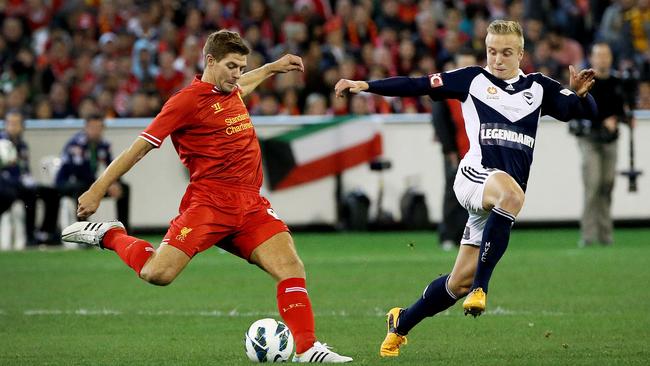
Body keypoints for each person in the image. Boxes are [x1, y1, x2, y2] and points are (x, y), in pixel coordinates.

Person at [60, 30, 352, 363]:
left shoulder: (231, 90)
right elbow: (139, 147)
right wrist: (97, 189)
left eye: (241, 67)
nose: (237, 74)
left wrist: (271, 68)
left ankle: (307, 348)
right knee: (158, 274)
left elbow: (246, 86)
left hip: (250, 205)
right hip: (208, 205)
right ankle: (111, 235)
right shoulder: (186, 101)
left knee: (290, 266)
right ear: (209, 61)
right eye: (231, 66)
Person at [334, 19, 597, 357]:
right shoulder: (472, 79)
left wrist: (580, 93)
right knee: (513, 196)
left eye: (505, 53)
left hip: (496, 200)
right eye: (491, 52)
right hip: (475, 176)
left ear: (521, 54)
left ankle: (400, 323)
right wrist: (365, 85)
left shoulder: (539, 87)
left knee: (455, 283)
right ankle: (481, 289)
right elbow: (417, 85)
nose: (497, 59)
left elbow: (581, 112)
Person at [572, 43, 631, 246]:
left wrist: (621, 118)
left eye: (606, 55)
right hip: (589, 139)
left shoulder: (617, 82)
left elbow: (622, 108)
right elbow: (579, 111)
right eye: (599, 55)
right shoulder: (587, 82)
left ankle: (606, 235)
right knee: (593, 184)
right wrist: (603, 120)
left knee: (607, 185)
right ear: (592, 58)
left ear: (610, 58)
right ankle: (588, 235)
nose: (603, 59)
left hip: (610, 140)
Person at [431, 50, 476, 251]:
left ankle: (466, 236)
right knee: (453, 192)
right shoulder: (445, 90)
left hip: (476, 151)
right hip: (456, 151)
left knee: (474, 195)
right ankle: (448, 234)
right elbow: (440, 122)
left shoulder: (481, 89)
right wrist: (449, 149)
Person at [55, 114, 131, 231]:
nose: (95, 131)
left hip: (89, 182)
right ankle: (82, 231)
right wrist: (103, 184)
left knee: (124, 188)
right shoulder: (77, 144)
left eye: (98, 128)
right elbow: (78, 172)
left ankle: (124, 229)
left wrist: (114, 182)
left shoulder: (104, 145)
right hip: (67, 182)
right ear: (85, 128)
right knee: (81, 189)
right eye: (92, 128)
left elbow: (113, 166)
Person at [0, 110, 59, 245]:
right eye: (10, 123)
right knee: (30, 194)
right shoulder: (1, 144)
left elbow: (24, 170)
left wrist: (28, 179)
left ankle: (45, 232)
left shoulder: (23, 145)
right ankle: (29, 235)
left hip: (21, 185)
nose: (13, 127)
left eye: (16, 124)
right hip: (5, 186)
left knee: (50, 193)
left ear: (22, 126)